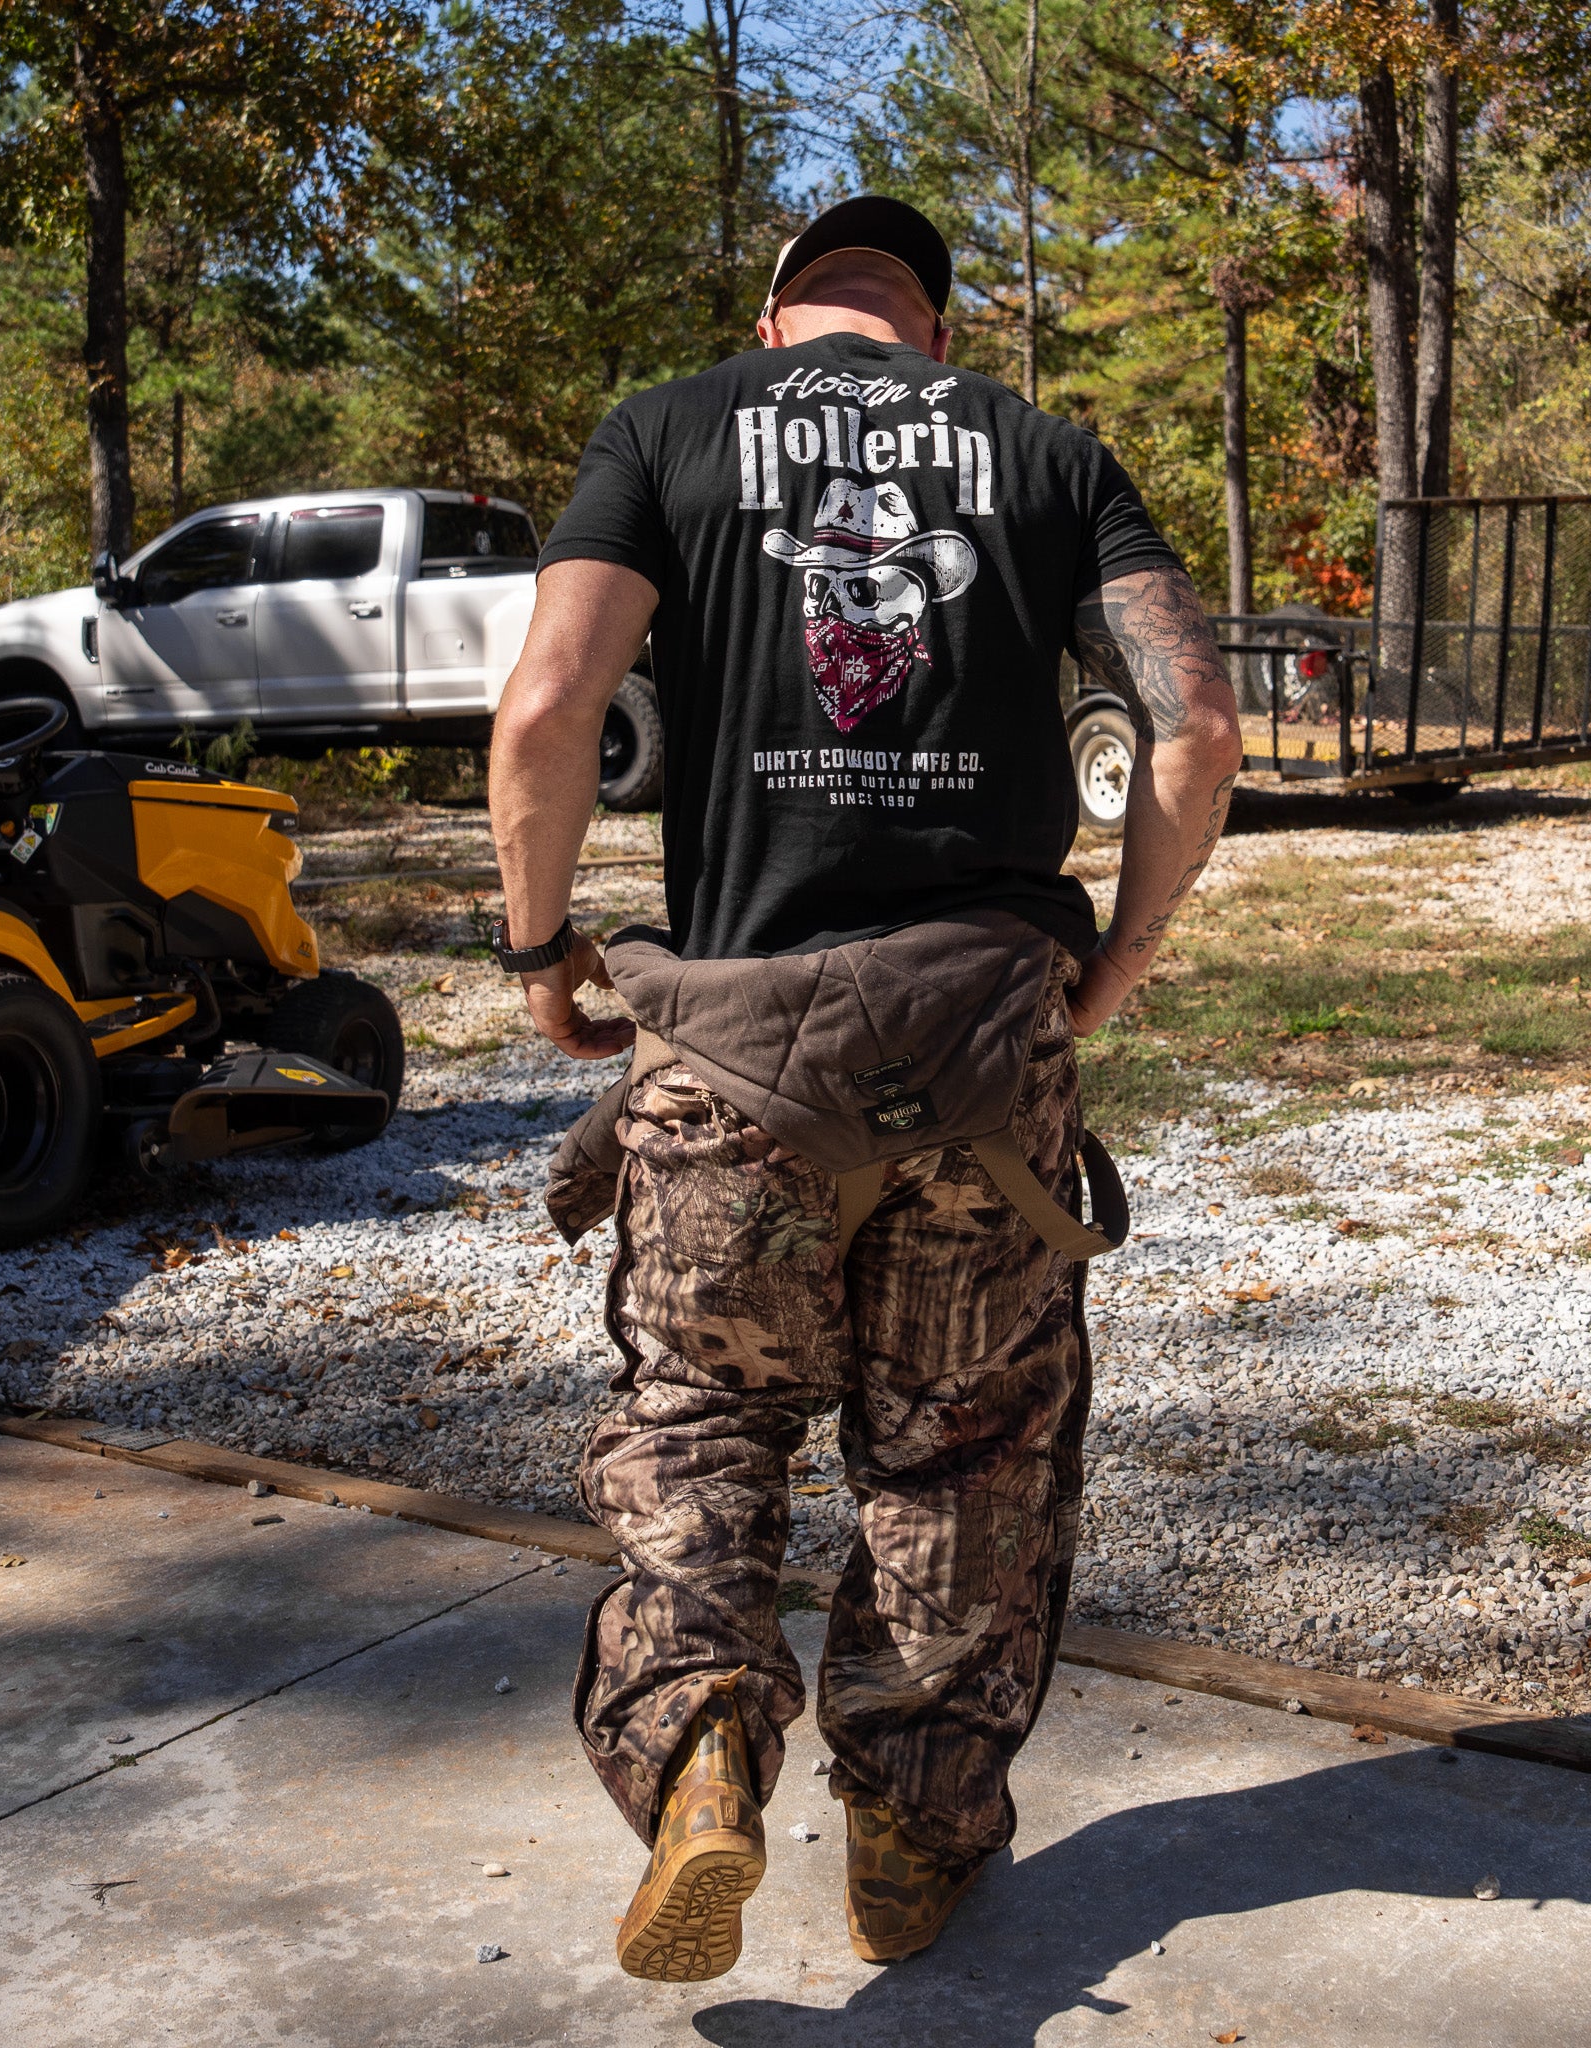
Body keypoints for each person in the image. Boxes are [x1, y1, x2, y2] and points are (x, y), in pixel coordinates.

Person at [486, 194, 1242, 1983]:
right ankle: (907, 1839)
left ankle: (700, 1758)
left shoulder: (670, 426)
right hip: (983, 1059)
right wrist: (1116, 958)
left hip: (730, 1056)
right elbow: (1196, 726)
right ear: (933, 336)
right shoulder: (1049, 453)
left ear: (776, 325)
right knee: (964, 1455)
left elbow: (542, 714)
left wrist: (539, 961)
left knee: (700, 1425)